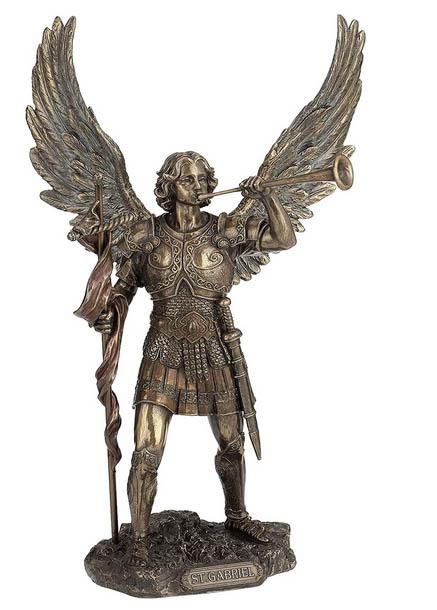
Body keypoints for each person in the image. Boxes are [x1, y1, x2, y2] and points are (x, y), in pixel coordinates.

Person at [94, 151, 296, 565]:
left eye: (204, 179)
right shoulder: (147, 235)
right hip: (163, 348)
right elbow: (124, 287)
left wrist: (269, 196)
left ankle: (237, 516)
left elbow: (283, 239)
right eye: (189, 179)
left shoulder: (225, 230)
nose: (199, 186)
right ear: (169, 186)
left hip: (215, 347)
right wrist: (109, 311)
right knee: (146, 448)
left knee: (231, 442)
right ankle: (139, 538)